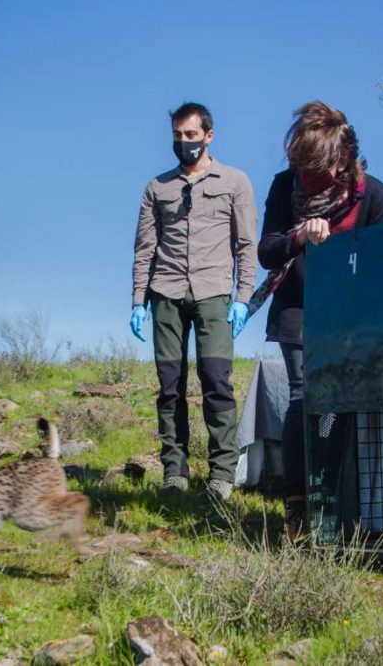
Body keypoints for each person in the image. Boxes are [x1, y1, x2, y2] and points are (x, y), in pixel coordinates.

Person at [258, 101, 383, 537]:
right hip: (297, 307)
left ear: (344, 159)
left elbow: (379, 267)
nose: (311, 178)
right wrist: (299, 236)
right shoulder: (285, 186)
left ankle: (336, 499)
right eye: (305, 168)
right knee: (304, 397)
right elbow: (267, 251)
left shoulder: (373, 194)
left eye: (320, 169)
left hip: (348, 314)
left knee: (340, 402)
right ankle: (298, 504)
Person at [130, 102, 258, 502]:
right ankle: (174, 471)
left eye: (190, 134)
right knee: (170, 386)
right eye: (177, 135)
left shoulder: (235, 181)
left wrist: (243, 297)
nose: (184, 141)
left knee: (216, 381)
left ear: (208, 136)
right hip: (165, 294)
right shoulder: (157, 188)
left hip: (214, 295)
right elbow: (144, 249)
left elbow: (246, 244)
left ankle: (221, 474)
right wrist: (138, 300)